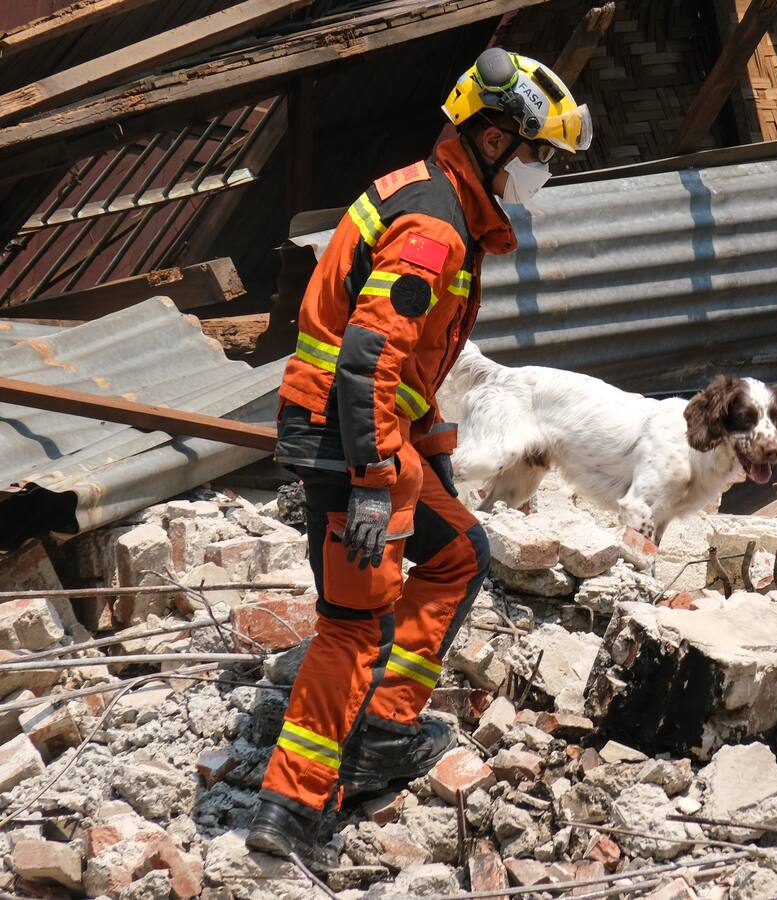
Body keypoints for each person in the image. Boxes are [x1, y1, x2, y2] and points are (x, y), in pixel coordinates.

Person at [245, 47, 592, 858]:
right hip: (347, 443)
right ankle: (288, 814)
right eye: (539, 154)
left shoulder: (442, 202)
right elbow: (369, 354)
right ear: (496, 136)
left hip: (370, 436)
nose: (540, 171)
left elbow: (409, 367)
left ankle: (383, 734)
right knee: (353, 625)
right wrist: (373, 484)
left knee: (458, 554)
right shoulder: (435, 226)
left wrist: (425, 453)